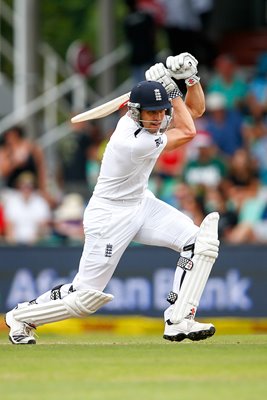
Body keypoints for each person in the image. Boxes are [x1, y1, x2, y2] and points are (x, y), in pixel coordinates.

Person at [5, 52, 220, 345]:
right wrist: (171, 87)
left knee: (200, 243)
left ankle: (179, 320)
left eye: (161, 112)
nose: (158, 118)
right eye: (152, 113)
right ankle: (21, 317)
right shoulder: (133, 142)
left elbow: (193, 111)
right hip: (109, 216)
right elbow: (189, 130)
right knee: (85, 297)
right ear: (135, 112)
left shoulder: (150, 122)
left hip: (141, 203)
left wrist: (190, 80)